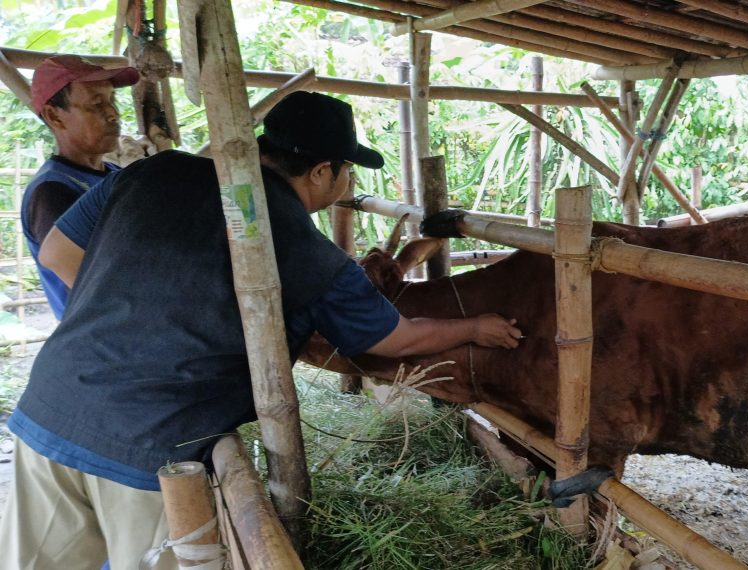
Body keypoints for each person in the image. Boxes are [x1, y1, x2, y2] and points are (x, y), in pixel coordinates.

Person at [0, 91, 522, 569]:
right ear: (322, 172)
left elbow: (56, 253)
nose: (347, 183)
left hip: (47, 409)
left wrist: (132, 307)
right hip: (151, 451)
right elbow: (397, 339)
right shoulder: (307, 250)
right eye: (347, 171)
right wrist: (477, 326)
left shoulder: (149, 173)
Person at [20, 54, 140, 319]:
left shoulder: (115, 176)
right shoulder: (52, 191)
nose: (112, 114)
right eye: (96, 104)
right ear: (55, 116)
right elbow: (95, 288)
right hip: (107, 347)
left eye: (112, 101)